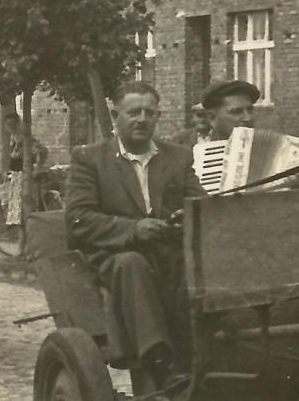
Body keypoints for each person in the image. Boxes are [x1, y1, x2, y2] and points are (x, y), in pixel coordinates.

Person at [64, 81, 206, 392]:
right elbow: (78, 219)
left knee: (198, 265)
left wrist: (186, 216)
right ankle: (161, 362)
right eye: (133, 112)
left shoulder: (179, 157)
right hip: (114, 255)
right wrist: (132, 229)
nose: (142, 119)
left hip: (168, 250)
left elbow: (199, 204)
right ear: (116, 116)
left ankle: (205, 355)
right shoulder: (90, 158)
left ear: (158, 116)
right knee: (132, 263)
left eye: (149, 113)